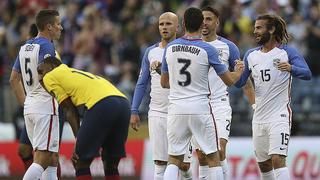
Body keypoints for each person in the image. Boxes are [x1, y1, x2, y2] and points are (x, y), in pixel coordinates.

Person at [161, 7, 244, 180]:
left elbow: (164, 83)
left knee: (174, 158)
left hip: (176, 108)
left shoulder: (170, 48)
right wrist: (238, 71)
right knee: (213, 156)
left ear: (183, 24)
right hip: (200, 107)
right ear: (201, 24)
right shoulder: (207, 49)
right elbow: (229, 80)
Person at [235, 14, 312, 180]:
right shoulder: (250, 55)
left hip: (279, 115)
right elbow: (239, 83)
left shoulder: (287, 52)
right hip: (259, 117)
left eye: (259, 28)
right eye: (255, 28)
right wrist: (238, 72)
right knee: (264, 164)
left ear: (271, 29)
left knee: (278, 159)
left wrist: (292, 68)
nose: (255, 31)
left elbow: (307, 74)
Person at [37, 56, 130, 180]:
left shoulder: (50, 76)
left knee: (79, 161)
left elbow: (68, 109)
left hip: (102, 103)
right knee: (110, 163)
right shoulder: (74, 73)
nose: (39, 78)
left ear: (52, 67)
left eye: (40, 71)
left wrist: (78, 139)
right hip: (123, 104)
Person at [192, 6, 255, 179]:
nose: (204, 23)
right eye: (202, 19)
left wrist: (255, 105)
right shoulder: (190, 45)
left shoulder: (228, 47)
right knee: (203, 156)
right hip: (196, 105)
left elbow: (243, 81)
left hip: (219, 104)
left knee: (219, 150)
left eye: (209, 19)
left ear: (217, 22)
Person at [130, 12, 192, 180]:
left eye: (168, 24)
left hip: (180, 111)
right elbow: (142, 83)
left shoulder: (185, 49)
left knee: (184, 164)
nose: (164, 27)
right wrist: (134, 110)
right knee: (160, 163)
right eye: (161, 24)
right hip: (157, 111)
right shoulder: (150, 52)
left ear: (177, 27)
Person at [9, 10, 63, 180]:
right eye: (58, 24)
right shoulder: (47, 46)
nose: (61, 28)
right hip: (45, 106)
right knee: (43, 159)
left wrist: (26, 103)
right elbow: (45, 75)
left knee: (52, 160)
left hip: (30, 105)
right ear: (49, 27)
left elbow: (13, 79)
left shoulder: (25, 46)